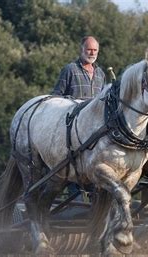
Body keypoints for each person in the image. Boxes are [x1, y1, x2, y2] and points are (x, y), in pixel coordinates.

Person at [52, 36, 106, 201]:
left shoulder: (100, 73)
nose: (92, 53)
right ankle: (75, 203)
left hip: (93, 129)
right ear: (81, 49)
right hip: (72, 127)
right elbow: (56, 96)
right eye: (89, 49)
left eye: (95, 50)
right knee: (74, 163)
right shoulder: (70, 69)